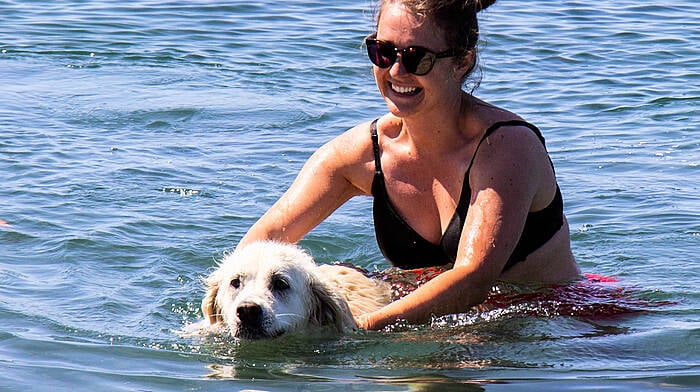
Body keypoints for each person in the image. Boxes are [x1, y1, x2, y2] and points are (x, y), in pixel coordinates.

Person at [238, 0, 580, 330]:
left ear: (462, 61)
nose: (396, 71)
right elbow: (261, 242)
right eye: (383, 52)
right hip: (440, 324)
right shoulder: (359, 154)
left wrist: (358, 331)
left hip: (556, 320)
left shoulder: (507, 148)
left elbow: (473, 278)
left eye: (418, 58)